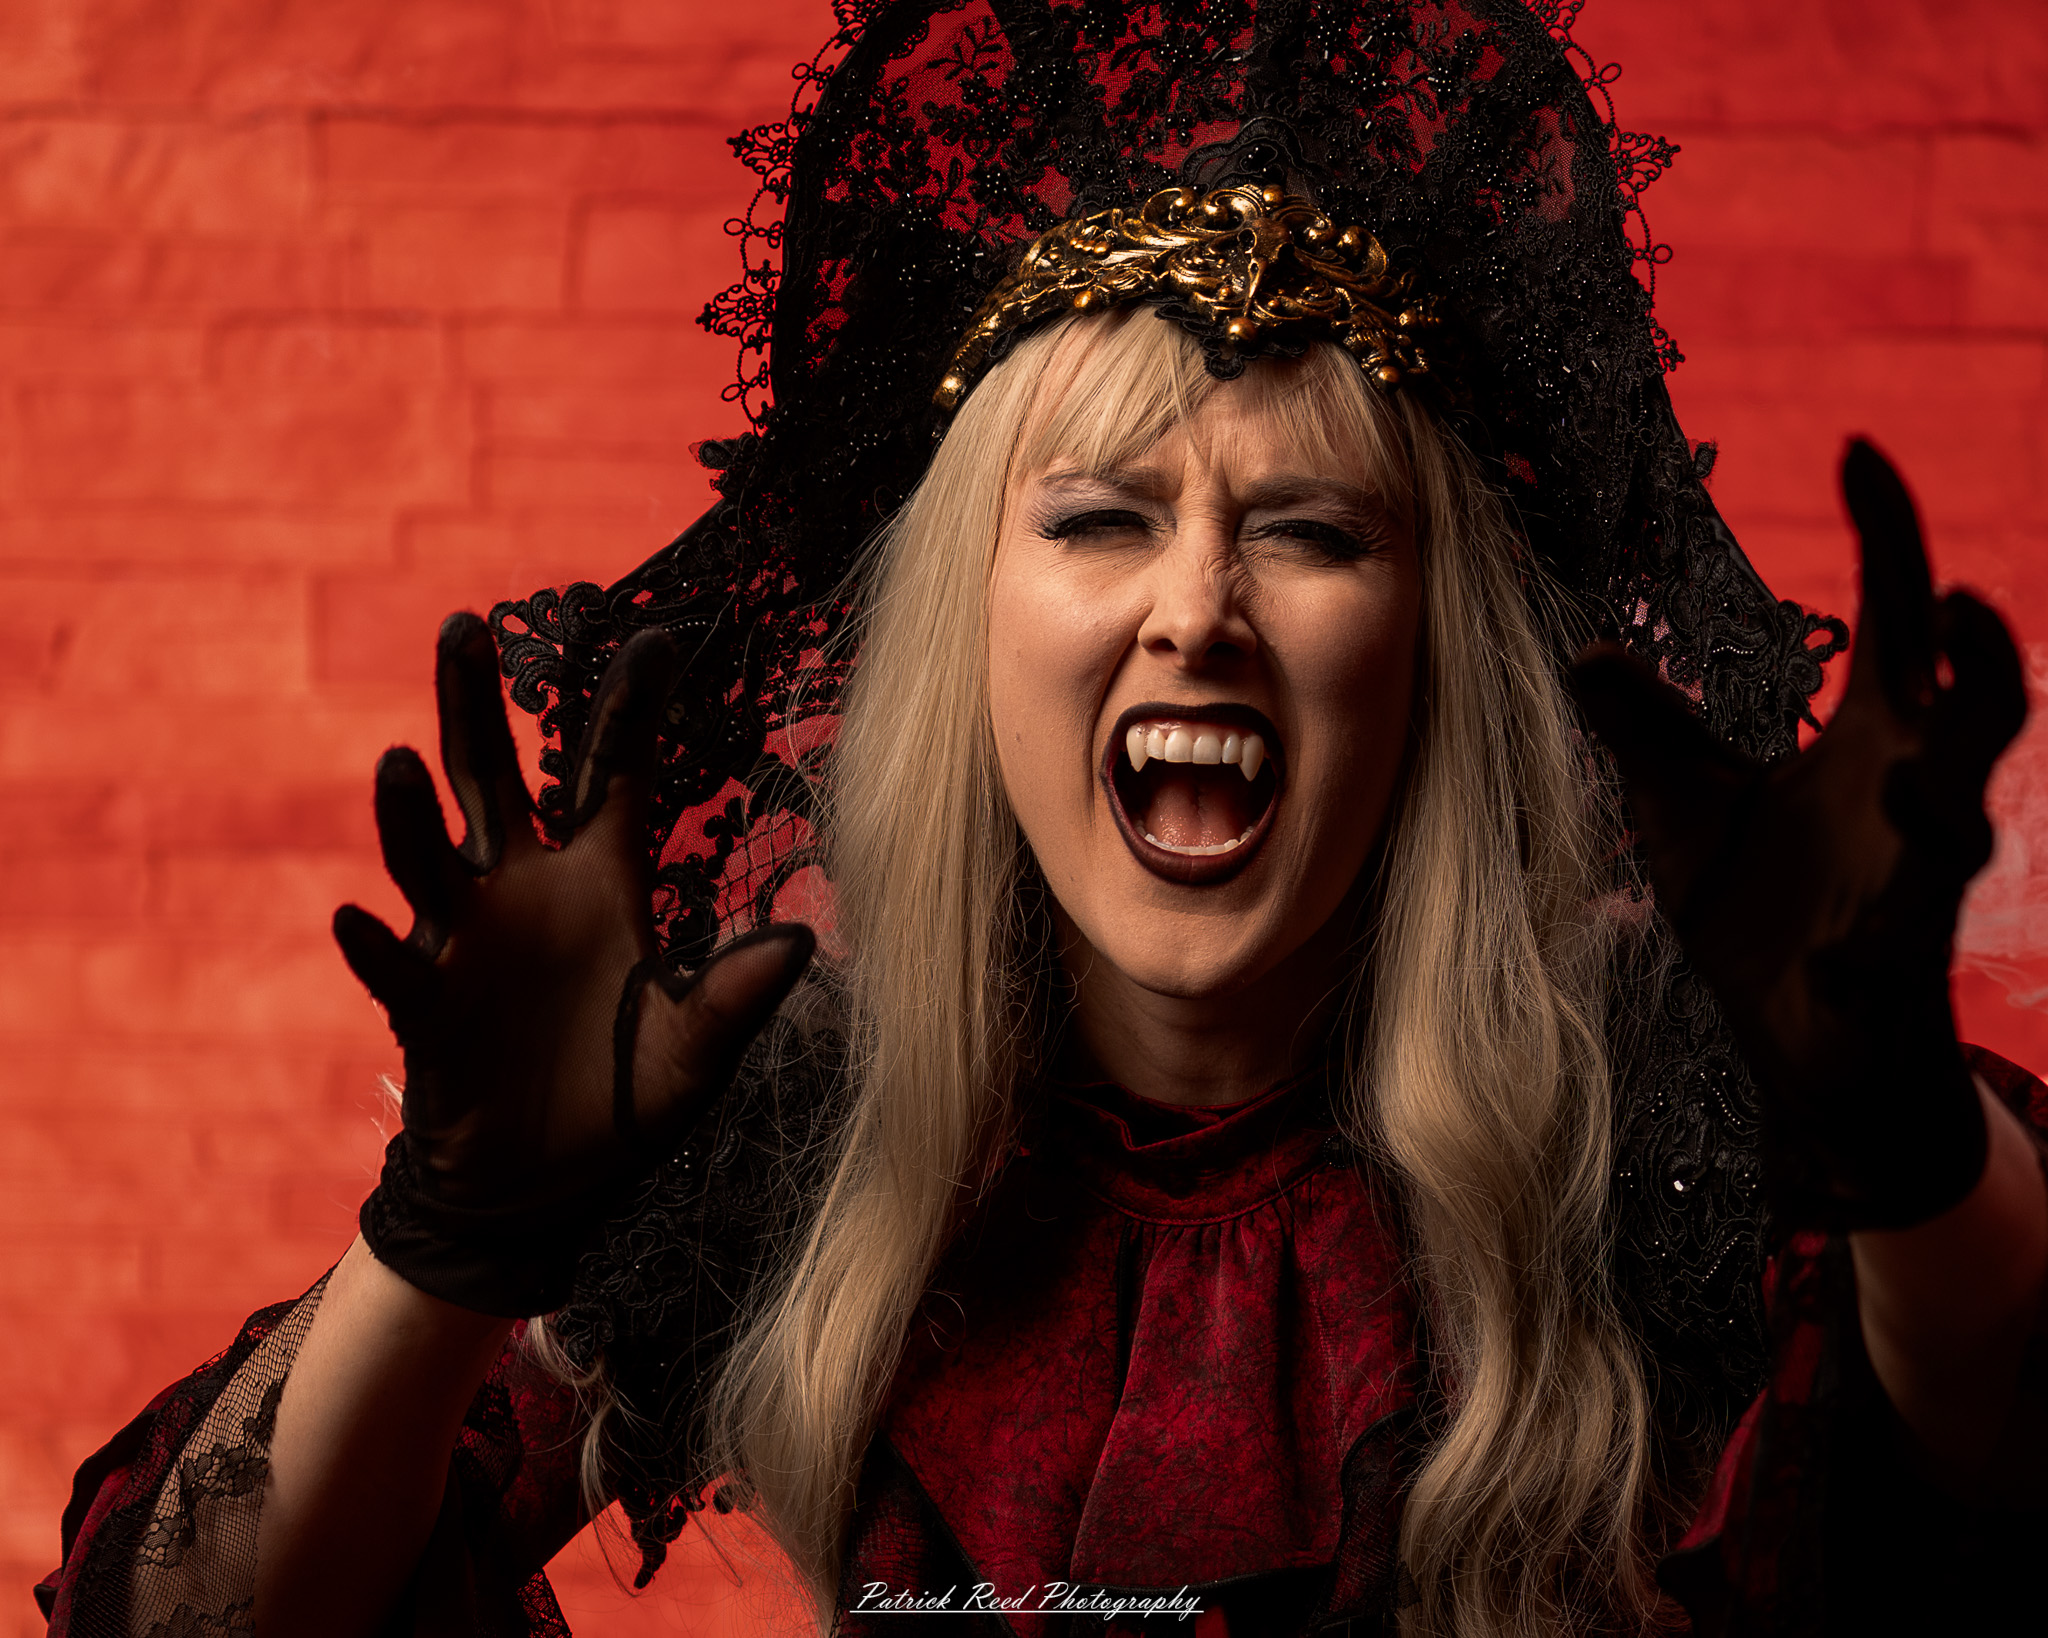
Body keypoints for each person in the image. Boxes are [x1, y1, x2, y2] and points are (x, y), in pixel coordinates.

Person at [37, 1, 2048, 1634]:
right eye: (1097, 519)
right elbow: (214, 1619)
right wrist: (449, 1241)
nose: (1197, 607)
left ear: (1427, 648)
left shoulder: (1656, 1122)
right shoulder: (790, 1134)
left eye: (1309, 530)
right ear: (968, 635)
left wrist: (1900, 1145)